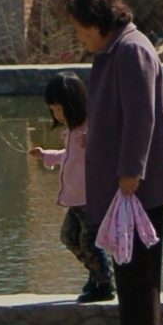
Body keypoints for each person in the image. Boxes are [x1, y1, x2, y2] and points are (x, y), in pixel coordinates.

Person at [69, 0, 163, 325]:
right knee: (134, 268)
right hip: (133, 183)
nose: (79, 35)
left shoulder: (131, 50)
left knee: (136, 270)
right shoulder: (117, 50)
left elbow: (142, 118)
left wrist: (130, 173)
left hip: (139, 184)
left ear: (97, 21)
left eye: (80, 27)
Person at [30, 71, 113, 304]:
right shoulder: (73, 132)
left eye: (59, 109)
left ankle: (104, 283)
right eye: (53, 110)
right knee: (68, 237)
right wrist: (46, 156)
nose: (57, 115)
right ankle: (96, 273)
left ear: (73, 104)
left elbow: (107, 152)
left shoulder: (89, 128)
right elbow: (69, 157)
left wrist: (94, 142)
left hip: (90, 199)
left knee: (89, 241)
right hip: (75, 200)